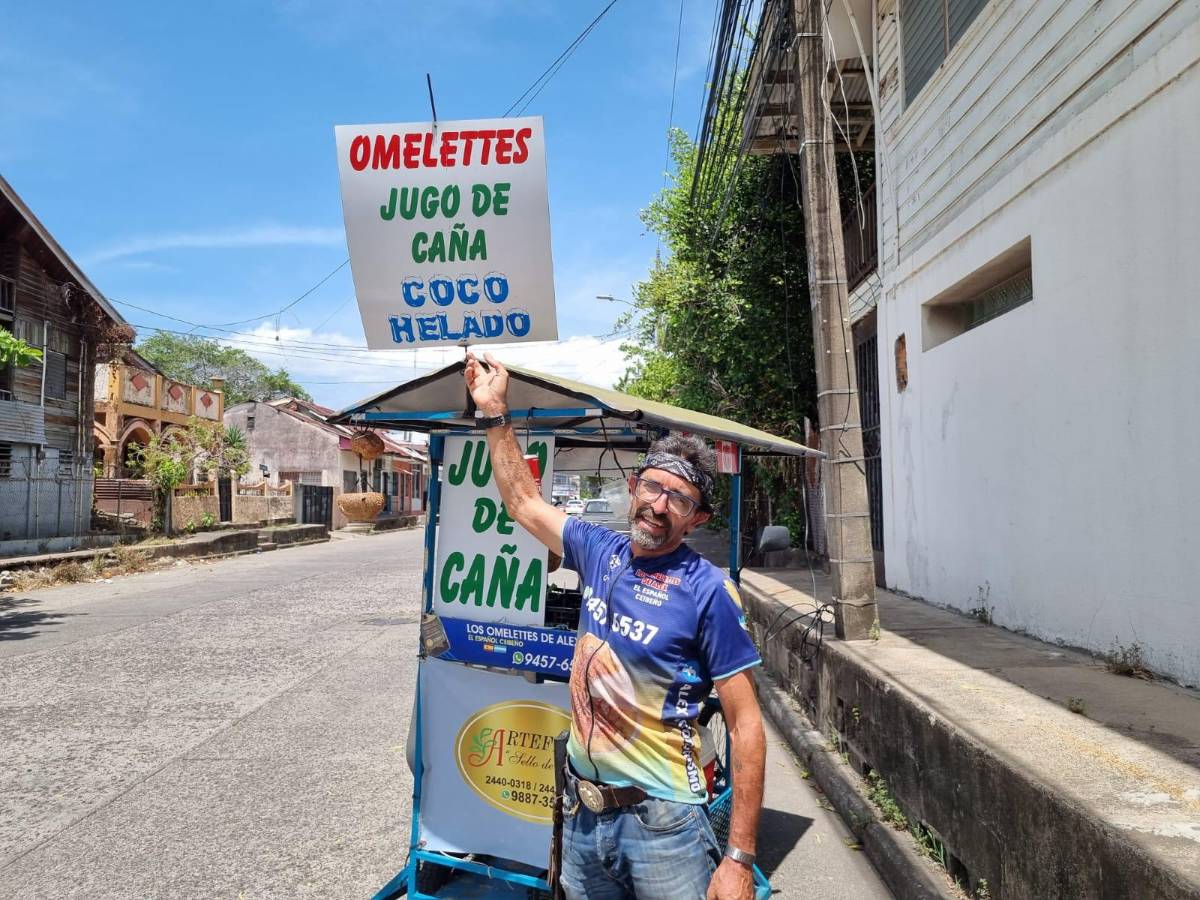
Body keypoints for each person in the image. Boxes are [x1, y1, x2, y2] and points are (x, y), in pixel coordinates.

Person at [464, 352, 765, 900]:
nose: (659, 504)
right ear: (634, 487)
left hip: (664, 827)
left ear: (697, 518)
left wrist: (739, 858)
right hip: (583, 816)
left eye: (680, 498)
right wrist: (493, 413)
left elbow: (746, 728)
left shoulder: (708, 590)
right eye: (653, 486)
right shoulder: (598, 551)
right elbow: (524, 503)